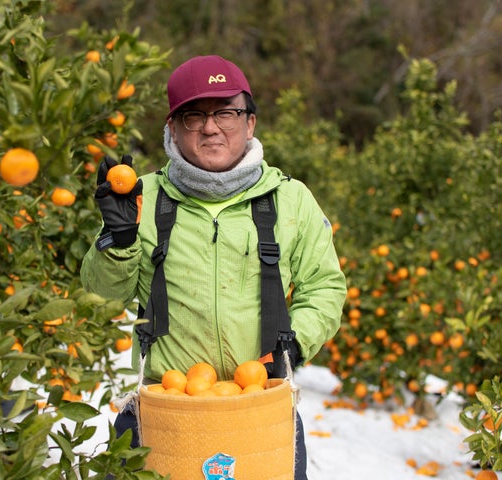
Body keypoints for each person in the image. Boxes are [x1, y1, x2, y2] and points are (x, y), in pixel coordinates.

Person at [81, 55, 347, 479]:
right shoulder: (141, 199)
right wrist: (119, 240)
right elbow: (101, 297)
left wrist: (293, 344)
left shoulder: (290, 198)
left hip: (259, 405)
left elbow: (325, 287)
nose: (211, 127)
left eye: (226, 112)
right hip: (165, 407)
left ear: (250, 122)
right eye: (194, 116)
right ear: (172, 128)